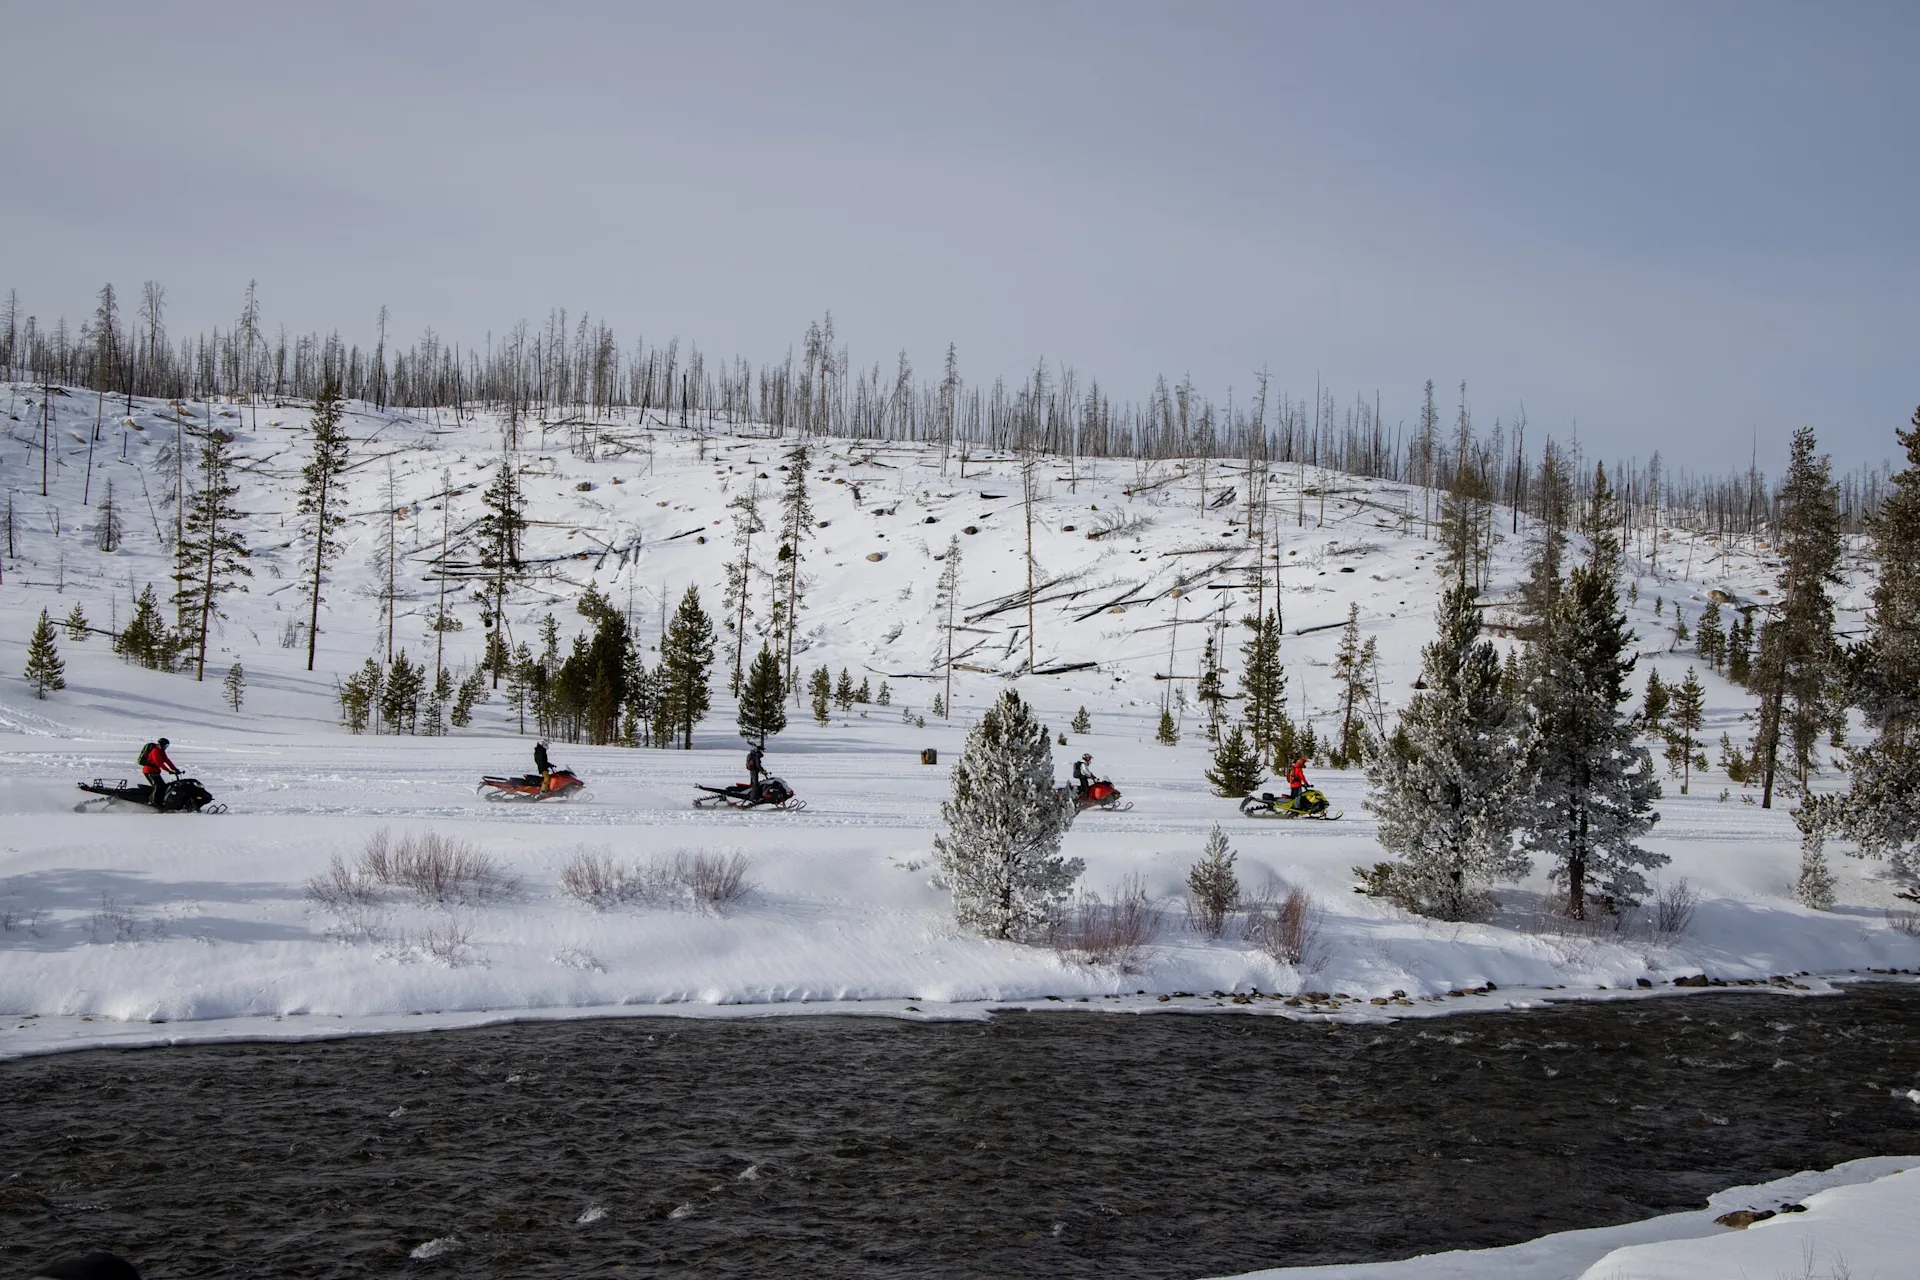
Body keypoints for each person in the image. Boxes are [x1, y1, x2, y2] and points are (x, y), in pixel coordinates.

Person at [138, 737, 179, 808]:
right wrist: (168, 771)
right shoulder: (155, 751)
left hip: (155, 772)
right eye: (166, 746)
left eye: (167, 746)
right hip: (149, 771)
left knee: (163, 787)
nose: (166, 747)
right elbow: (159, 763)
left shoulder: (161, 751)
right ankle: (153, 802)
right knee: (157, 786)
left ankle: (161, 801)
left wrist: (175, 769)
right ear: (162, 744)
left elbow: (167, 760)